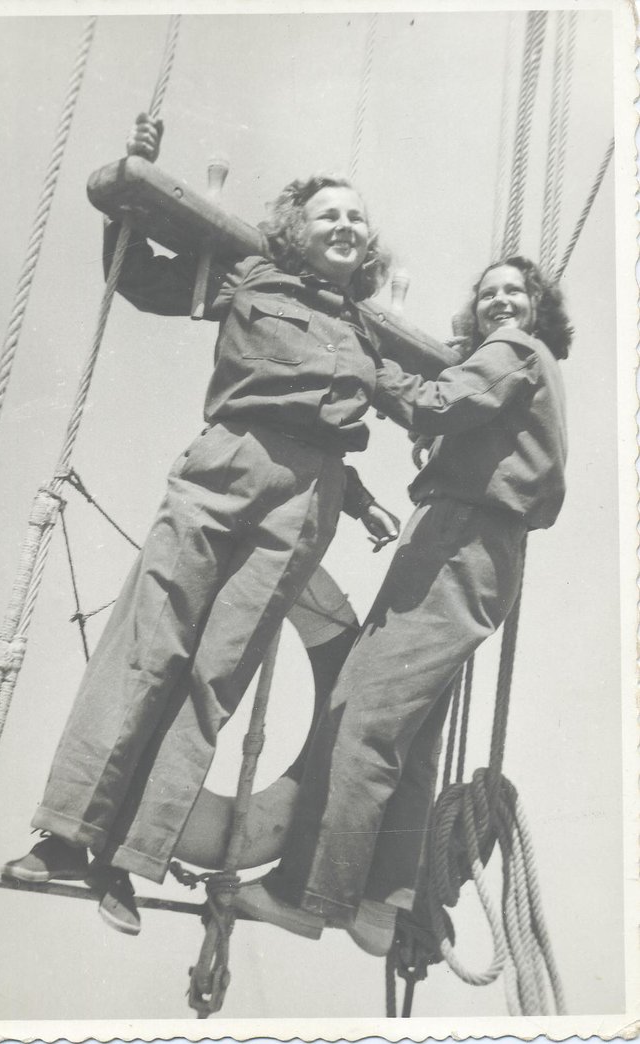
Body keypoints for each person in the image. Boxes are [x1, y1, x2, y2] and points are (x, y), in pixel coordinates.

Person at [1, 114, 456, 937]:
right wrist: (126, 190)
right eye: (330, 216)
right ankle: (70, 838)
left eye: (357, 218)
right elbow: (138, 278)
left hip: (305, 503)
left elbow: (407, 406)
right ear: (295, 231)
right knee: (148, 650)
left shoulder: (366, 331)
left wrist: (365, 494)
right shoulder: (248, 275)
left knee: (213, 683)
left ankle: (129, 865)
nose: (347, 226)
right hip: (222, 473)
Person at [235, 255, 572, 956]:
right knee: (410, 737)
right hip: (481, 550)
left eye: (514, 293)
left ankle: (307, 896)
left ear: (537, 310)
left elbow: (435, 404)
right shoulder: (523, 365)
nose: (501, 303)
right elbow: (457, 412)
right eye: (488, 296)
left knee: (362, 716)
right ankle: (383, 901)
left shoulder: (514, 352)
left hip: (458, 540)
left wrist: (363, 360)